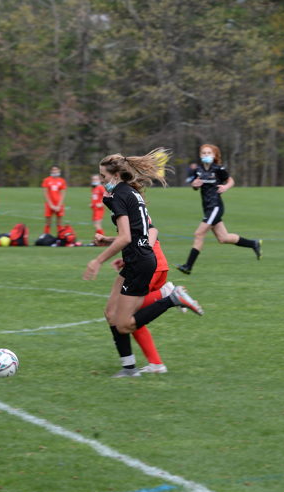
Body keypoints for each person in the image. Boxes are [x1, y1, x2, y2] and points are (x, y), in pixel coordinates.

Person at [83, 150, 203, 378]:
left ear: (116, 175)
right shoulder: (131, 192)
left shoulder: (116, 196)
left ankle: (172, 299)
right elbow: (145, 231)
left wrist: (98, 261)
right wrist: (113, 242)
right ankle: (129, 368)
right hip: (138, 259)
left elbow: (126, 237)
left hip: (140, 262)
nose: (101, 181)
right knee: (111, 313)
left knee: (124, 324)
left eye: (104, 177)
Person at [176, 144, 262, 275]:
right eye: (204, 153)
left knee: (199, 233)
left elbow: (231, 180)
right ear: (200, 155)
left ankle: (188, 266)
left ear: (214, 155)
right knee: (223, 238)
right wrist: (195, 185)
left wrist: (225, 187)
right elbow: (195, 186)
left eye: (209, 153)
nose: (206, 155)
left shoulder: (218, 169)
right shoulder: (198, 170)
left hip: (215, 207)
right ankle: (253, 244)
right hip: (207, 208)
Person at [41, 165, 67, 235]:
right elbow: (45, 193)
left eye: (56, 169)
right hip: (49, 205)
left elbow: (63, 194)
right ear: (51, 171)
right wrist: (51, 205)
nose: (54, 171)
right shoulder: (46, 180)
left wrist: (59, 205)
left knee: (59, 223)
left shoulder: (62, 181)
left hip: (59, 205)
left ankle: (60, 237)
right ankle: (46, 236)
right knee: (48, 223)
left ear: (59, 171)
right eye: (53, 170)